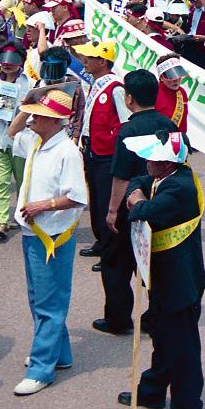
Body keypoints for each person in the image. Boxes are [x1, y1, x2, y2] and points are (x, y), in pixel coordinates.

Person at [119, 131, 205, 409]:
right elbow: (138, 182)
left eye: (152, 158)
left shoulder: (180, 187)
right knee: (163, 336)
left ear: (168, 163)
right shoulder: (163, 177)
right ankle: (153, 390)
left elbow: (145, 211)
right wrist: (136, 193)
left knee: (182, 347)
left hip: (179, 280)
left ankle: (187, 404)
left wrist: (136, 201)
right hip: (163, 276)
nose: (146, 161)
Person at [11, 89, 87, 396]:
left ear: (55, 121)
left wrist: (43, 205)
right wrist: (30, 100)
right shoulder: (36, 141)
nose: (32, 119)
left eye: (39, 115)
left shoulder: (67, 151)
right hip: (34, 233)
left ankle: (41, 368)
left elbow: (78, 197)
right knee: (39, 297)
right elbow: (13, 130)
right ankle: (59, 353)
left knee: (49, 302)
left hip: (52, 237)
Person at [97, 70, 177, 336]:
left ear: (129, 98)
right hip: (160, 203)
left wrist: (111, 211)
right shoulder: (169, 125)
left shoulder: (127, 130)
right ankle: (155, 315)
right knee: (156, 262)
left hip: (129, 205)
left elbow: (120, 176)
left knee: (116, 263)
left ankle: (118, 318)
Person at [76, 40, 129, 270]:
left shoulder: (116, 87)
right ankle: (100, 241)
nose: (85, 61)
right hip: (92, 149)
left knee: (107, 201)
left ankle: (110, 251)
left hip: (107, 153)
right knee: (96, 199)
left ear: (102, 61)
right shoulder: (96, 83)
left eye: (90, 57)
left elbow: (125, 122)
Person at [0, 42, 32, 240]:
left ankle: (21, 215)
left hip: (19, 141)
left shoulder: (28, 83)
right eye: (4, 62)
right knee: (1, 181)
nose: (7, 66)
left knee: (22, 182)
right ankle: (1, 220)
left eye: (11, 62)